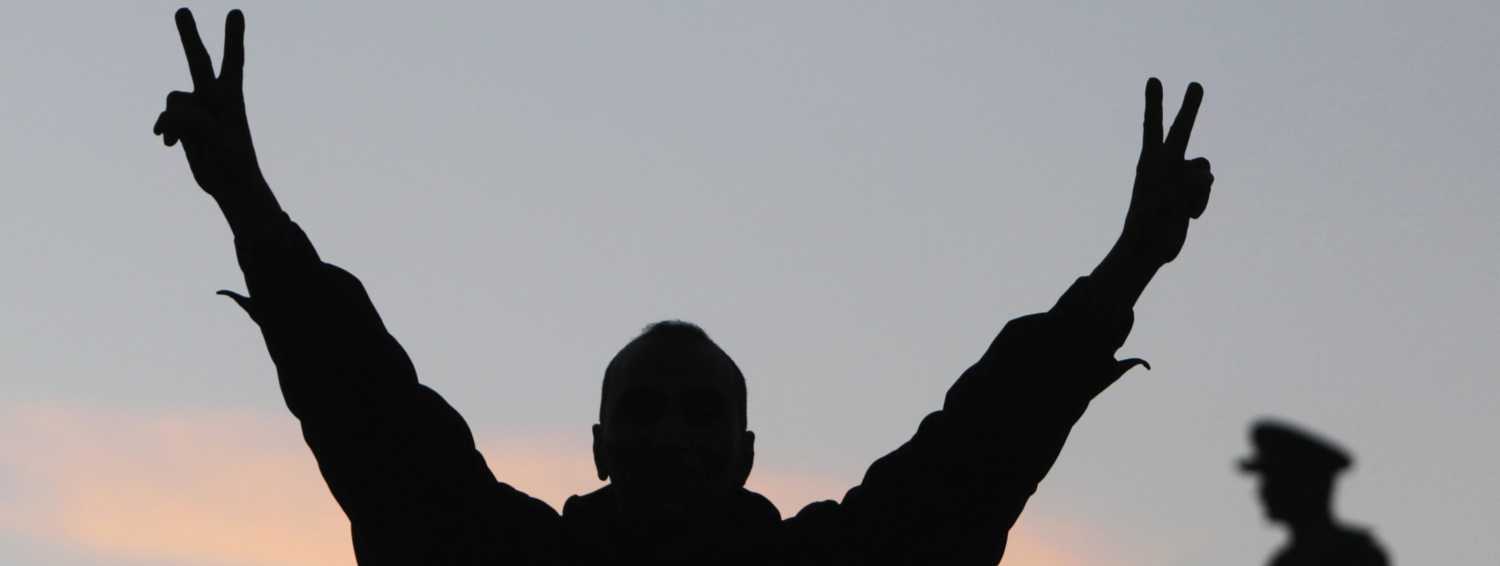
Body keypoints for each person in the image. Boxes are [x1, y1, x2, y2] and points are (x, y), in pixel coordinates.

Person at [153, 8, 1216, 565]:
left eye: (701, 411)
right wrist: (247, 204)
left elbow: (974, 455)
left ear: (747, 452)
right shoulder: (505, 557)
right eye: (646, 409)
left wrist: (1128, 266)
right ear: (601, 444)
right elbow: (373, 420)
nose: (670, 433)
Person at [1240, 420, 1391, 566]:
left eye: (1274, 482)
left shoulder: (1351, 555)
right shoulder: (1289, 559)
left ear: (1305, 487)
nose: (1262, 493)